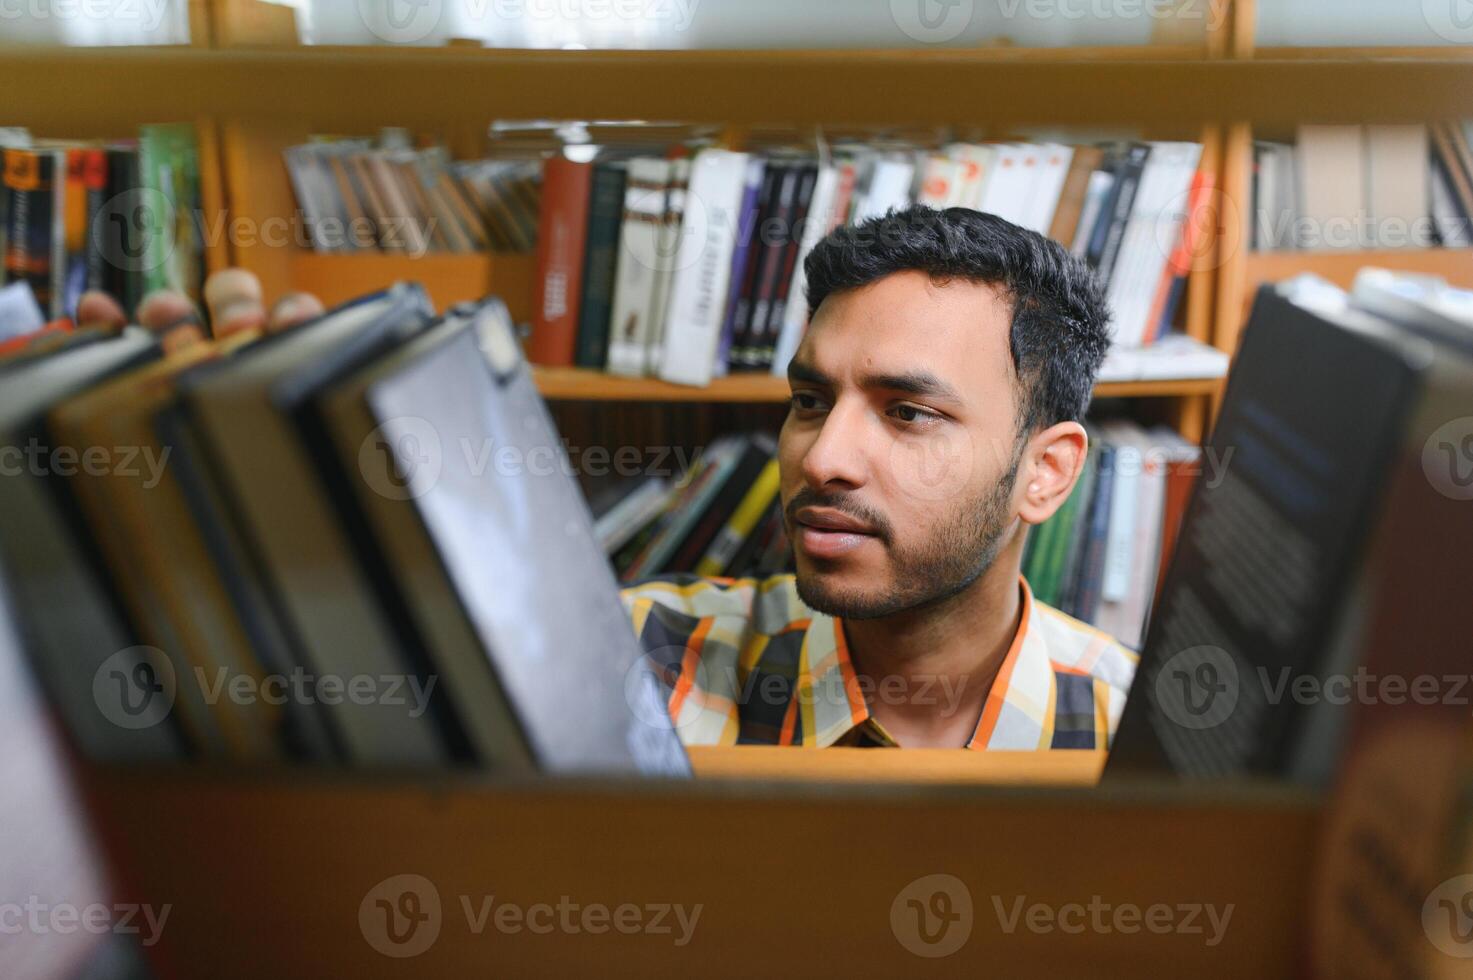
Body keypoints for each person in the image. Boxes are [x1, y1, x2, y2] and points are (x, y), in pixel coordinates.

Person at [84, 205, 1136, 752]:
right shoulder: (618, 665)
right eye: (811, 399)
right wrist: (228, 490)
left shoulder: (1156, 744)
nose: (821, 457)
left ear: (1046, 473)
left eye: (908, 412)